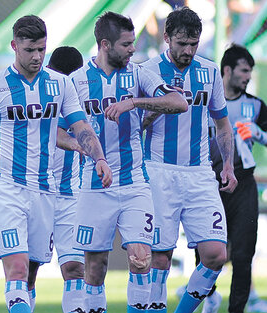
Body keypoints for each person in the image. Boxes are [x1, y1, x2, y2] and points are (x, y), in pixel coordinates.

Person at [0, 15, 112, 313]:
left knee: (40, 271)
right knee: (17, 268)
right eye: (30, 50)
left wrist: (99, 158)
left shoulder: (61, 85)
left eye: (41, 49)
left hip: (45, 190)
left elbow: (80, 126)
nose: (37, 56)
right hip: (6, 188)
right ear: (14, 46)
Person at [70, 11, 187, 313]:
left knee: (141, 257)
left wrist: (134, 102)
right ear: (105, 45)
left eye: (133, 43)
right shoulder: (77, 81)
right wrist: (81, 147)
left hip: (135, 182)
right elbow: (55, 130)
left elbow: (178, 102)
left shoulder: (137, 75)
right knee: (94, 268)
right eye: (126, 44)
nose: (133, 49)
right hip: (94, 186)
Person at [141, 7, 238, 313]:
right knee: (160, 256)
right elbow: (137, 124)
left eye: (193, 44)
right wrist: (164, 103)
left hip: (198, 173)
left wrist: (227, 164)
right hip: (158, 170)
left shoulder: (209, 72)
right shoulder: (148, 71)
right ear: (166, 38)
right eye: (181, 43)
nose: (187, 50)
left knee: (215, 254)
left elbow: (222, 123)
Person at [205, 44, 267, 313]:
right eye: (244, 70)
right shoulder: (204, 102)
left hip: (242, 184)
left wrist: (258, 133)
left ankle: (236, 310)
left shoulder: (255, 106)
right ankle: (209, 297)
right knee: (207, 253)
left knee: (243, 256)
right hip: (207, 182)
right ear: (227, 70)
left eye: (251, 71)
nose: (248, 76)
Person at [46, 46, 86, 313]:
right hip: (33, 192)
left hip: (70, 196)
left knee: (74, 268)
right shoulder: (34, 98)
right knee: (25, 270)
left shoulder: (80, 104)